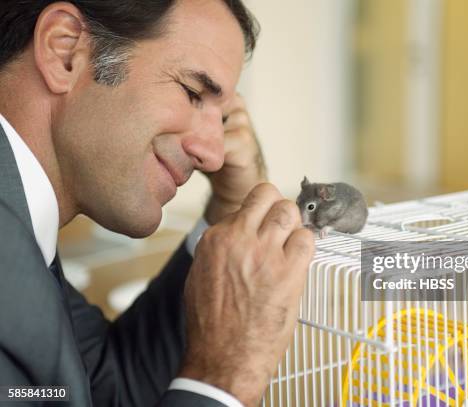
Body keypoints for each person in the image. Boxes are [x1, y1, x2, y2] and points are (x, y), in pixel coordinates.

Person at [0, 0, 315, 406]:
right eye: (192, 92)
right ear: (64, 52)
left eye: (221, 118)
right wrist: (227, 378)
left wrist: (229, 208)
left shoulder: (21, 229)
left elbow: (108, 385)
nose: (214, 155)